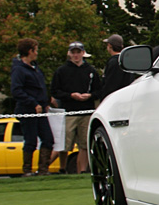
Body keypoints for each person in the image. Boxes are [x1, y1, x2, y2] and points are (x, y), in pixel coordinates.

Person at [50, 42, 101, 174]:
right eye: (73, 52)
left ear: (83, 53)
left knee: (84, 143)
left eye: (78, 52)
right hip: (69, 112)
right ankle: (62, 168)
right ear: (69, 54)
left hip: (86, 111)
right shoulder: (61, 71)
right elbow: (55, 91)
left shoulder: (91, 71)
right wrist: (70, 95)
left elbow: (99, 91)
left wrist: (89, 96)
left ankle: (83, 170)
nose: (76, 55)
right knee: (65, 144)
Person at [10, 38, 54, 176]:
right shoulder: (19, 70)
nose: (37, 53)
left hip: (40, 110)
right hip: (27, 110)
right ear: (30, 51)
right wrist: (33, 103)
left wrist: (45, 102)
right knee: (30, 140)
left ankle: (43, 170)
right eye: (35, 50)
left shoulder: (35, 68)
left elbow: (39, 88)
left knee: (48, 139)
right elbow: (16, 90)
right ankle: (27, 170)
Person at [94, 34, 135, 100]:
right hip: (126, 97)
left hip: (114, 99)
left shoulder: (114, 62)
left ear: (110, 45)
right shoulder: (127, 60)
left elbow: (110, 85)